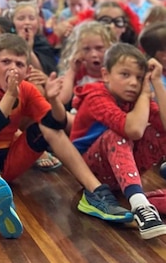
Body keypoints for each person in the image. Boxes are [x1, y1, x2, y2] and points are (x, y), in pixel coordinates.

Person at [0, 33, 131, 239]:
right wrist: (10, 95)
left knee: (47, 128)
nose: (12, 69)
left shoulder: (26, 89)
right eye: (6, 62)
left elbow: (56, 124)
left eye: (19, 64)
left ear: (28, 71)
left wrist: (54, 101)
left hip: (9, 165)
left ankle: (96, 192)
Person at [70, 43, 166, 238]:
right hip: (92, 172)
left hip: (123, 174)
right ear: (106, 75)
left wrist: (157, 82)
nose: (133, 83)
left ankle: (140, 201)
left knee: (160, 132)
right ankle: (140, 206)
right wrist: (146, 95)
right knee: (117, 134)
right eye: (125, 74)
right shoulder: (96, 95)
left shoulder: (135, 98)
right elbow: (134, 130)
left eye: (139, 78)